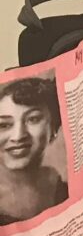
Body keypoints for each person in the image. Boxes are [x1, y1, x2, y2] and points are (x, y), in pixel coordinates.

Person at [0, 77, 67, 226]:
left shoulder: (62, 189)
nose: (18, 136)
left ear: (54, 128)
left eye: (33, 119)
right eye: (4, 125)